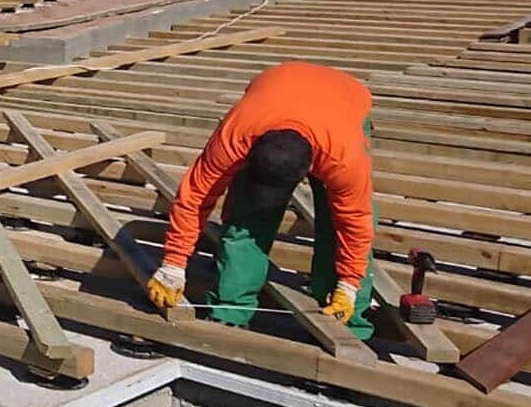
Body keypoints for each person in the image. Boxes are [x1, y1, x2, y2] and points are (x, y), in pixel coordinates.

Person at [147, 62, 377, 339]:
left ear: (310, 169)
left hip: (344, 102)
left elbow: (355, 225)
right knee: (247, 218)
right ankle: (230, 311)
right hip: (271, 95)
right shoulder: (236, 137)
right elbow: (195, 196)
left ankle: (347, 319)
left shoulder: (342, 159)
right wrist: (173, 264)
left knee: (335, 223)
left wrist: (349, 283)